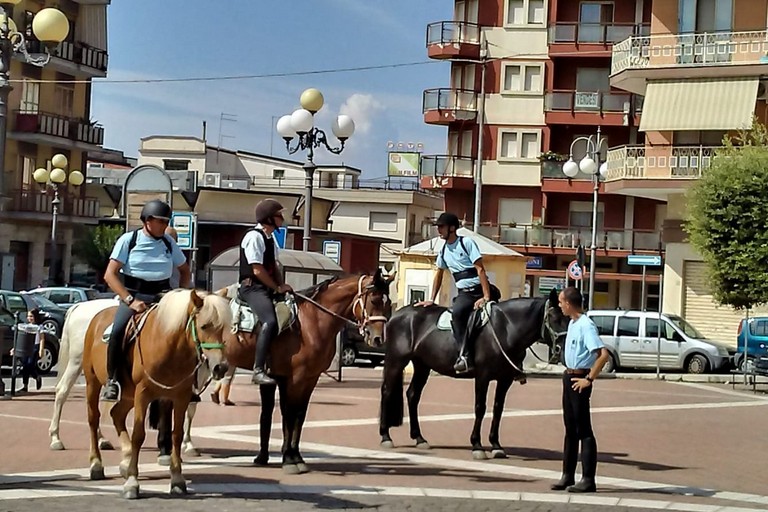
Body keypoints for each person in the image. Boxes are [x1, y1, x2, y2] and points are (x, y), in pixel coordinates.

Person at [100, 200, 191, 402]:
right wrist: (130, 300)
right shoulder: (128, 240)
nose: (164, 226)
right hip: (133, 295)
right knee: (118, 331)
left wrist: (179, 295)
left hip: (163, 295)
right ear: (147, 221)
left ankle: (188, 382)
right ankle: (112, 380)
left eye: (167, 221)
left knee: (188, 330)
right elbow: (110, 275)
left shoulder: (169, 243)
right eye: (161, 221)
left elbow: (185, 270)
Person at [415, 212, 497, 373]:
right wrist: (432, 299)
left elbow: (480, 270)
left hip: (481, 289)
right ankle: (465, 356)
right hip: (465, 294)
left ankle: (513, 362)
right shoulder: (444, 251)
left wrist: (486, 297)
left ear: (452, 228)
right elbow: (439, 274)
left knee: (501, 317)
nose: (438, 230)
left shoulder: (467, 243)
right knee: (457, 314)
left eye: (441, 227)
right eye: (438, 227)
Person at [551, 286, 609, 494]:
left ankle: (588, 478)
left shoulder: (586, 325)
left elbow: (603, 355)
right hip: (569, 376)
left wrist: (589, 379)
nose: (559, 305)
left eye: (560, 302)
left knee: (584, 429)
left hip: (580, 377)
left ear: (569, 303)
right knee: (570, 429)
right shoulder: (573, 323)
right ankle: (567, 475)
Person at [239, 198, 293, 386]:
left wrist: (283, 285)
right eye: (279, 215)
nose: (282, 218)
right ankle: (258, 369)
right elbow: (257, 270)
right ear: (269, 219)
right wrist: (276, 288)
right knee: (270, 321)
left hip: (265, 287)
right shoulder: (254, 237)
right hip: (252, 287)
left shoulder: (270, 238)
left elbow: (274, 267)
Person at [11, 309, 45, 392]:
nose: (29, 318)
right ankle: (25, 386)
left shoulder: (39, 326)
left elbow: (42, 338)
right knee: (25, 366)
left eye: (31, 316)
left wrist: (41, 349)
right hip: (26, 347)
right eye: (28, 316)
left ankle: (37, 377)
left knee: (30, 365)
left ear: (35, 317)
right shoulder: (26, 326)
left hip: (35, 347)